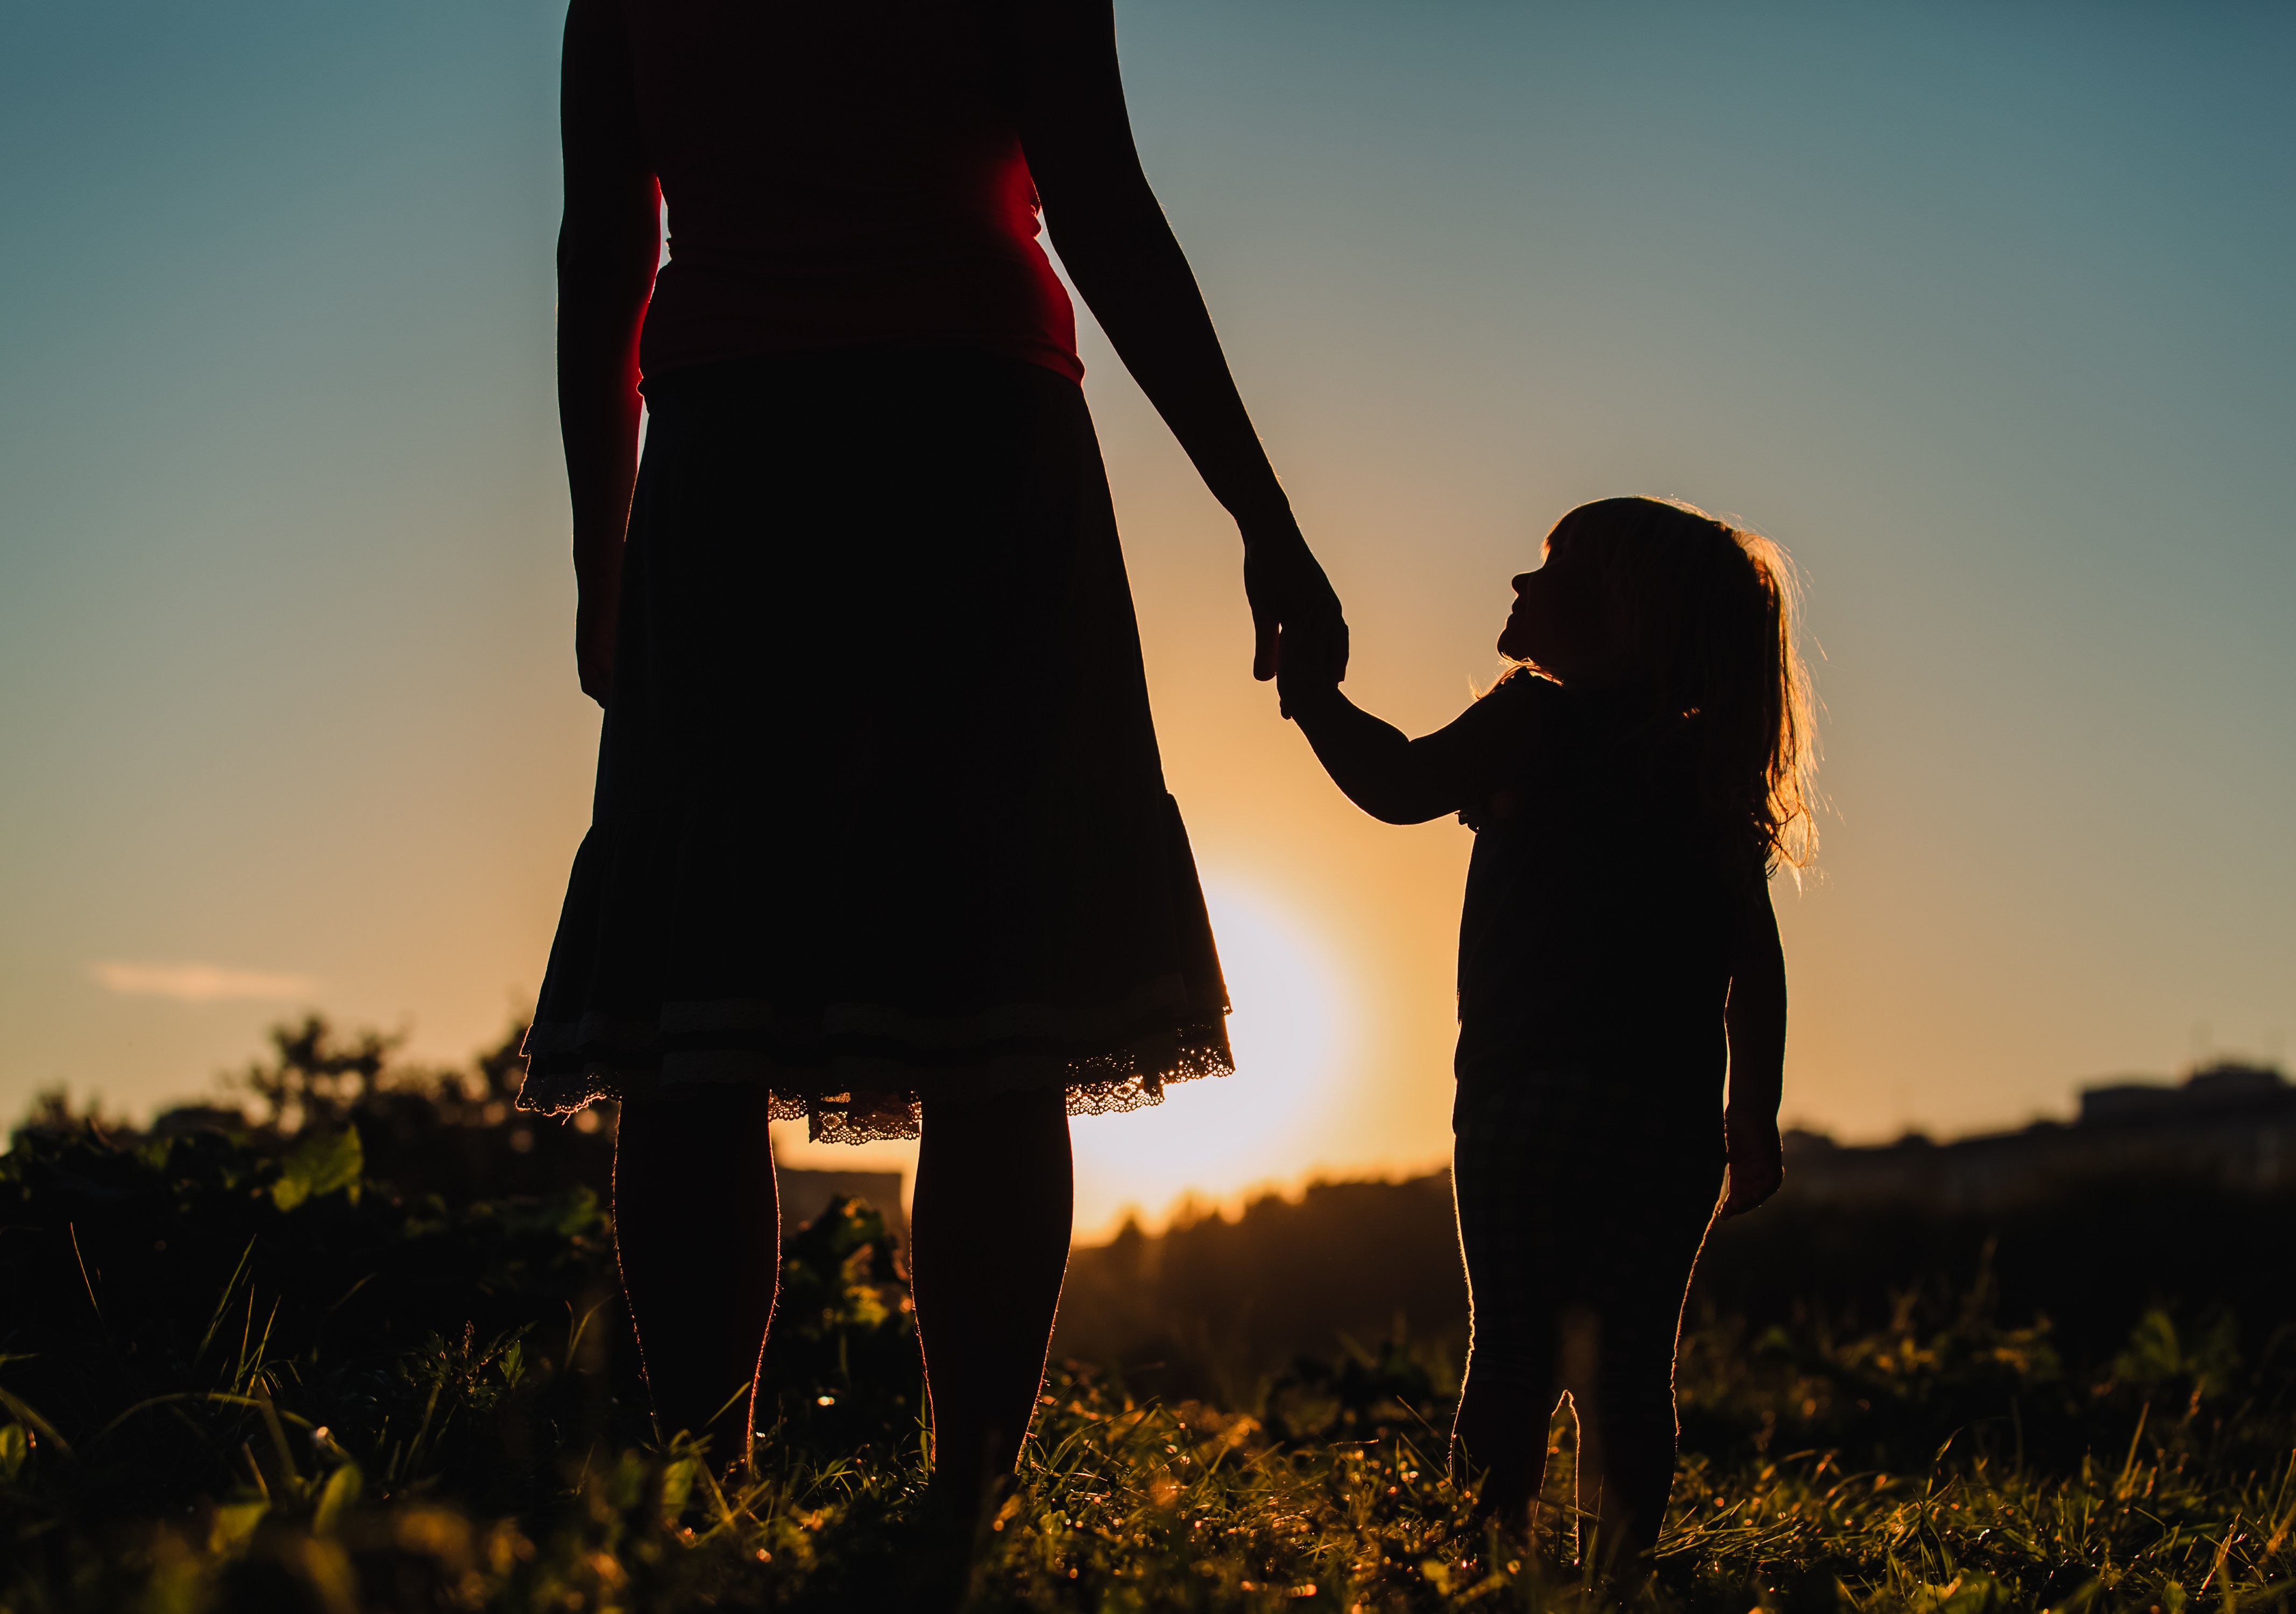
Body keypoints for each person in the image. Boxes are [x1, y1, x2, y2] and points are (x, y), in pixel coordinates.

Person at [518, 0, 1348, 1521]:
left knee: (696, 1003)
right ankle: (967, 1490)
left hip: (735, 461)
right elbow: (1099, 206)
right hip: (974, 446)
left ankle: (705, 1487)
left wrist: (603, 548)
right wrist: (1262, 516)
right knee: (1002, 989)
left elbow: (602, 251)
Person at [1276, 497, 1814, 1563]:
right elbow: (1756, 964)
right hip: (1667, 1129)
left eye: (1551, 567)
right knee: (1629, 1372)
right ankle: (1616, 1583)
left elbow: (1398, 783)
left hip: (1527, 1100)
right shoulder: (1706, 775)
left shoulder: (1534, 721)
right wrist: (1750, 1106)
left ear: (1618, 607)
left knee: (1514, 1353)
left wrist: (1313, 699)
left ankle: (1487, 1570)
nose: (1522, 585)